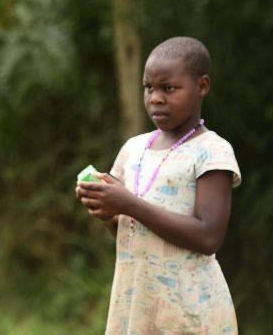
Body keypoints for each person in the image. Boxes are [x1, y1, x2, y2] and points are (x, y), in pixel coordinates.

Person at [76, 36, 241, 334]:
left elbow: (208, 237)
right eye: (149, 87)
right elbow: (131, 230)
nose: (155, 98)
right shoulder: (133, 149)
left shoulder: (213, 151)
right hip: (138, 304)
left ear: (202, 86)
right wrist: (107, 212)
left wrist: (128, 203)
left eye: (169, 88)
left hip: (189, 312)